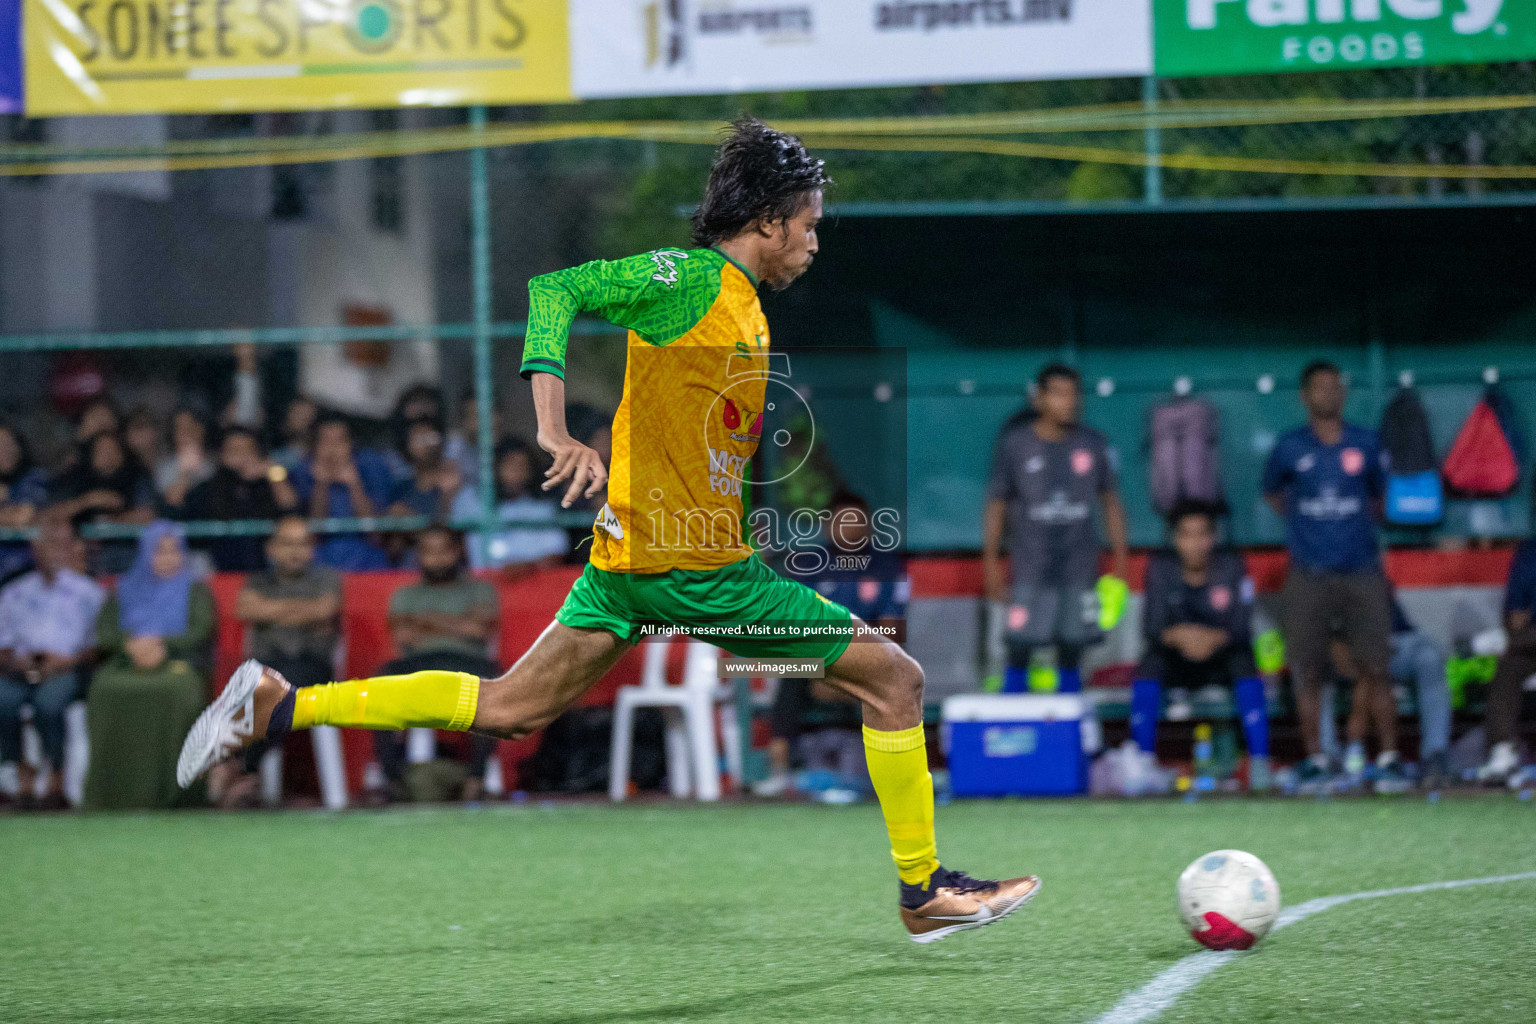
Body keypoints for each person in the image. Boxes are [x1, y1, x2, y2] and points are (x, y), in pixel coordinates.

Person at [180, 117, 1037, 944]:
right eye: (809, 224)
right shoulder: (692, 280)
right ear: (769, 220)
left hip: (637, 560)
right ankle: (923, 890)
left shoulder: (738, 304)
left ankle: (281, 705)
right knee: (894, 678)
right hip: (695, 575)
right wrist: (553, 430)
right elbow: (557, 291)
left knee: (513, 705)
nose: (816, 241)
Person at [1263, 360, 1403, 795]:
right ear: (1305, 396)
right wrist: (1310, 529)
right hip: (1309, 573)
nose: (1329, 393)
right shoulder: (1289, 447)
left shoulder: (1366, 441)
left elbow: (1380, 498)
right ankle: (1316, 759)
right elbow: (1273, 493)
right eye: (1319, 387)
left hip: (1362, 571)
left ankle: (1389, 758)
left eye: (1335, 386)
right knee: (1308, 670)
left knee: (1376, 667)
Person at [982, 363, 1129, 694]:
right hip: (1030, 566)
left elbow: (1111, 503)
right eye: (1059, 393)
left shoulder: (1094, 443)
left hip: (1079, 564)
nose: (1069, 402)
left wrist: (1120, 561)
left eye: (1074, 394)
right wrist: (991, 562)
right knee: (1019, 646)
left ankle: (1070, 725)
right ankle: (1011, 714)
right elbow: (996, 505)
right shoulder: (1015, 445)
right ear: (1040, 399)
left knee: (1073, 647)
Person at [756, 491, 909, 798]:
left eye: (857, 521)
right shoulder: (807, 565)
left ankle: (898, 775)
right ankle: (779, 770)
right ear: (828, 525)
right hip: (818, 662)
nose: (850, 528)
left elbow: (890, 634)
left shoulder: (887, 568)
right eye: (842, 521)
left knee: (894, 676)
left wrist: (847, 664)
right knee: (790, 669)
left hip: (868, 660)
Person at [1130, 500, 1268, 791]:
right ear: (1176, 539)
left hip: (1219, 658)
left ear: (1213, 537)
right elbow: (1151, 628)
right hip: (1177, 660)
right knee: (1149, 665)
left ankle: (1260, 762)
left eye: (1202, 534)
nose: (1196, 543)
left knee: (1244, 661)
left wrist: (1209, 639)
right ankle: (1142, 761)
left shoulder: (1231, 565)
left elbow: (1241, 627)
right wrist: (1182, 635)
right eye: (1187, 535)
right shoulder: (1161, 566)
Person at [85, 522, 215, 809]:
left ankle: (176, 795)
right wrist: (131, 645)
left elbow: (200, 629)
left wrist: (160, 644)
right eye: (160, 551)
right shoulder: (123, 590)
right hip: (125, 663)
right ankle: (111, 795)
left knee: (176, 692)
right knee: (104, 689)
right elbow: (106, 632)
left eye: (174, 552)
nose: (168, 559)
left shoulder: (194, 590)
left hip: (178, 663)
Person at [216, 516, 342, 806]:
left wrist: (272, 611)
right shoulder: (257, 580)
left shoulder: (326, 578)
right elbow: (246, 608)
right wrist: (303, 612)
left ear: (312, 549)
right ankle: (246, 774)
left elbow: (324, 610)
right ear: (272, 549)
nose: (295, 552)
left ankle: (240, 769)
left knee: (277, 687)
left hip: (313, 669)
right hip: (266, 669)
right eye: (287, 544)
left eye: (302, 544)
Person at [373, 525, 500, 802]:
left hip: (468, 662)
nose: (437, 559)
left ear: (457, 552)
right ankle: (393, 782)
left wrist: (426, 620)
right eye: (429, 552)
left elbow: (478, 630)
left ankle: (476, 780)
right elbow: (405, 637)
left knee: (493, 687)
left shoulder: (481, 590)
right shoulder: (405, 594)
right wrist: (458, 623)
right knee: (379, 685)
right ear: (419, 555)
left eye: (444, 551)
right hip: (419, 664)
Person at [0, 519, 104, 810]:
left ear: (74, 548)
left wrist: (66, 661)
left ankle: (57, 781)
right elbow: (3, 643)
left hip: (68, 668)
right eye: (49, 542)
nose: (56, 550)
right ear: (35, 548)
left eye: (62, 543)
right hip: (20, 670)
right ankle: (23, 777)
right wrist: (18, 662)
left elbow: (98, 646)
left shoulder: (88, 593)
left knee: (50, 702)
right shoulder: (14, 592)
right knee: (3, 700)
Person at [181, 427, 301, 571]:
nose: (242, 456)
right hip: (219, 567)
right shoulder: (209, 487)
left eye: (247, 450)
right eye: (234, 450)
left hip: (264, 569)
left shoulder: (269, 483)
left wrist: (273, 471)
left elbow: (291, 507)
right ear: (222, 454)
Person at [451, 437, 568, 577]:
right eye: (509, 465)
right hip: (479, 585)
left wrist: (525, 568)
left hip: (529, 585)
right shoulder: (470, 499)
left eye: (522, 467)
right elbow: (449, 541)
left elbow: (556, 553)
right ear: (495, 467)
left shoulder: (542, 509)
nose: (515, 473)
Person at [292, 414, 393, 570]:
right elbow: (314, 535)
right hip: (320, 562)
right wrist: (321, 484)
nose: (333, 448)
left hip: (367, 559)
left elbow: (375, 533)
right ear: (315, 446)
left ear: (351, 444)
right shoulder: (303, 471)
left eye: (340, 441)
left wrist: (354, 484)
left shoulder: (370, 467)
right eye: (326, 441)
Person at [47, 431, 155, 573]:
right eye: (102, 450)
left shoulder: (137, 476)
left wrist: (114, 522)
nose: (108, 455)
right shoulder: (75, 479)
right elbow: (50, 517)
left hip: (129, 560)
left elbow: (148, 515)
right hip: (85, 563)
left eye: (113, 449)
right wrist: (87, 501)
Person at [1475, 537, 1536, 785]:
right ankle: (1503, 754)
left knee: (1510, 646)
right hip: (1530, 644)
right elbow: (1517, 616)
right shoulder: (1530, 553)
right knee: (1508, 668)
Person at [0, 423, 50, 581]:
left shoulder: (35, 478)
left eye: (9, 444)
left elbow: (21, 518)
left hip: (24, 571)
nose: (4, 451)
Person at [388, 418, 464, 518]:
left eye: (431, 437)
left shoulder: (454, 480)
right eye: (419, 439)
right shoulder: (402, 489)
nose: (427, 444)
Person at [155, 408, 217, 511]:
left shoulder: (216, 464)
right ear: (174, 434)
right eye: (181, 429)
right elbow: (173, 502)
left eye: (191, 427)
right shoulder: (164, 468)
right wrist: (186, 471)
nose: (186, 433)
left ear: (201, 429)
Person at [271, 396, 318, 472]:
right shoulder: (272, 439)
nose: (301, 420)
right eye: (298, 414)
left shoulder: (315, 449)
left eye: (306, 416)